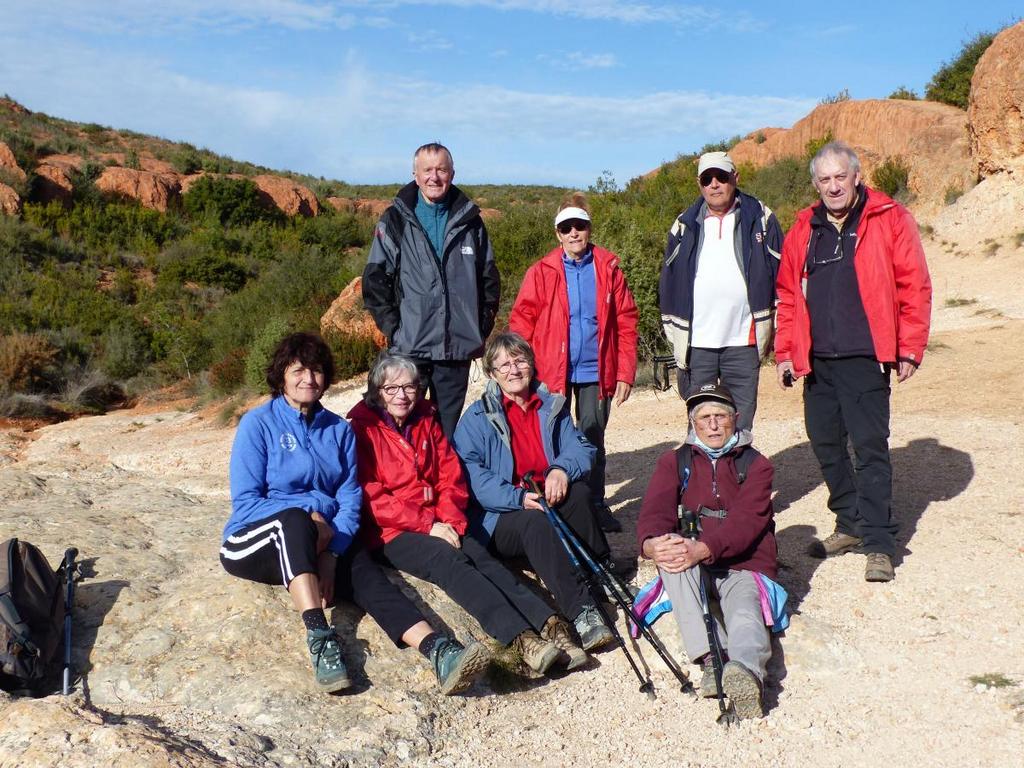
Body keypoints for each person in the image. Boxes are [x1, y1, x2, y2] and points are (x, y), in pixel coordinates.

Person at [221, 332, 489, 695]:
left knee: (366, 573)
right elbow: (248, 500)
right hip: (254, 542)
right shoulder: (258, 424)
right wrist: (312, 514)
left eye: (316, 371)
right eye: (298, 370)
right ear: (281, 375)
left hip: (321, 542)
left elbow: (350, 496)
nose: (308, 379)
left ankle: (438, 650)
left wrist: (332, 554)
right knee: (295, 521)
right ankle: (319, 636)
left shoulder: (337, 430)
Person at [347, 352, 566, 676]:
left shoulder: (426, 419)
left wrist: (448, 520)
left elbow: (450, 477)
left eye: (409, 387)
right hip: (390, 530)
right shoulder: (362, 430)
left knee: (477, 552)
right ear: (377, 391)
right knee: (447, 561)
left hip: (438, 518)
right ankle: (520, 638)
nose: (401, 395)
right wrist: (428, 524)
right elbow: (371, 496)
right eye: (391, 388)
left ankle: (547, 621)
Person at [775, 142, 932, 583]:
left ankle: (879, 543)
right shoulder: (804, 228)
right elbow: (787, 294)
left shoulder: (889, 218)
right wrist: (786, 351)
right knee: (825, 444)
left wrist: (909, 346)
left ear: (857, 176)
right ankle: (851, 524)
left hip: (865, 356)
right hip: (817, 358)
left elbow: (913, 284)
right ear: (816, 185)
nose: (833, 186)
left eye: (840, 177)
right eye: (824, 180)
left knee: (869, 449)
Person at [454, 332, 627, 659]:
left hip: (545, 494)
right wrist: (516, 498)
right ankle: (582, 611)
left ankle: (602, 574)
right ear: (492, 374)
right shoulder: (476, 419)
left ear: (531, 364)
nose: (513, 370)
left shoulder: (551, 405)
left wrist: (560, 469)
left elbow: (581, 448)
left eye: (519, 360)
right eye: (503, 364)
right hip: (501, 515)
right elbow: (471, 477)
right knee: (535, 523)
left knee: (577, 492)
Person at [636, 383, 776, 720]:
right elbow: (655, 511)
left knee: (743, 611)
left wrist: (705, 548)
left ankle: (745, 672)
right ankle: (713, 658)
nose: (712, 425)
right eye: (704, 418)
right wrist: (652, 543)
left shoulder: (757, 466)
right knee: (671, 557)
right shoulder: (674, 461)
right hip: (691, 557)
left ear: (735, 419)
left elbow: (746, 523)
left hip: (742, 562)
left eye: (720, 417)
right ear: (692, 423)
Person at [509, 192, 639, 533]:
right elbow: (521, 323)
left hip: (597, 369)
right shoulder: (541, 272)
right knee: (551, 437)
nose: (573, 233)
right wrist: (516, 371)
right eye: (566, 227)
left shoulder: (608, 268)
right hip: (552, 372)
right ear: (557, 233)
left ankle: (594, 504)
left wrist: (625, 371)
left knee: (592, 438)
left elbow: (626, 321)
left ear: (589, 228)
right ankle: (556, 505)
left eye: (579, 226)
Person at [362, 142, 500, 440]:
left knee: (445, 433)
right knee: (402, 427)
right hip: (410, 348)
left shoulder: (470, 221)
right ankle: (408, 487)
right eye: (427, 170)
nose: (434, 177)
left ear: (452, 173)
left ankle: (439, 487)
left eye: (441, 169)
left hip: (456, 348)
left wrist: (480, 326)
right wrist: (395, 329)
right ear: (415, 174)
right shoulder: (395, 219)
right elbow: (374, 280)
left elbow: (489, 278)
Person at [658, 150, 783, 431]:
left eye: (721, 176)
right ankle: (705, 476)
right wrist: (673, 333)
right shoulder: (684, 224)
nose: (714, 184)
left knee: (740, 423)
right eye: (707, 178)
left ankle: (738, 475)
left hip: (744, 342)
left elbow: (781, 275)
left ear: (735, 178)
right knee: (702, 424)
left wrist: (780, 331)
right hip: (698, 344)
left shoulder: (761, 218)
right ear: (699, 184)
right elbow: (668, 280)